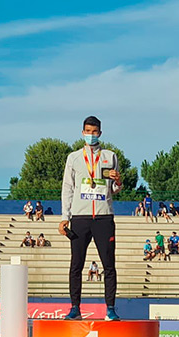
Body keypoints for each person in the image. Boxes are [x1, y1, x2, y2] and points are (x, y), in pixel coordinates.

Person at [59, 115, 123, 321]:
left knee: (109, 265)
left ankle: (111, 308)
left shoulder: (110, 156)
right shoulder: (74, 158)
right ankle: (75, 307)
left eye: (94, 132)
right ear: (82, 133)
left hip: (104, 217)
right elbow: (67, 188)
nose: (91, 135)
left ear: (100, 133)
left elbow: (115, 189)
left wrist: (119, 181)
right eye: (88, 131)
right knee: (76, 264)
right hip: (80, 217)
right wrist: (64, 216)